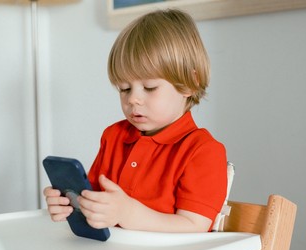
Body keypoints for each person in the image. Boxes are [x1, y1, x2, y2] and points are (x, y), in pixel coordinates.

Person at [44, 9, 227, 233]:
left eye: (149, 87)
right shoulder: (114, 136)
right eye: (124, 89)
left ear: (189, 83)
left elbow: (194, 226)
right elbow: (95, 201)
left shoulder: (203, 151)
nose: (133, 99)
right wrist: (71, 204)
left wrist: (128, 213)